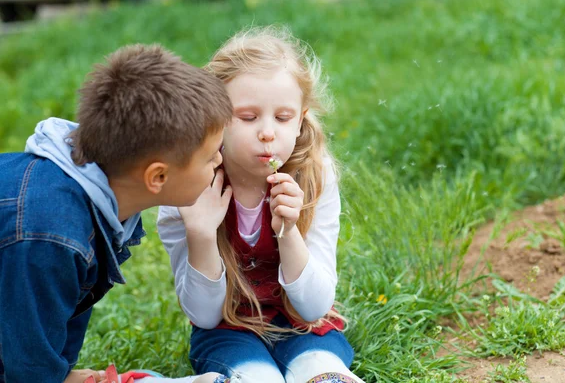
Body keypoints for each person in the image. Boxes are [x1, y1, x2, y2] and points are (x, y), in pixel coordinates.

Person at [0, 44, 232, 383]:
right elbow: (27, 373)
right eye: (210, 155)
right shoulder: (51, 235)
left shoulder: (97, 203)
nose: (219, 161)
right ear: (157, 177)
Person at [157, 26, 365, 383]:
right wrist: (201, 234)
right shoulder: (189, 186)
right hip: (227, 330)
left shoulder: (314, 175)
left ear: (300, 121)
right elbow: (204, 315)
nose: (267, 132)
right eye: (248, 117)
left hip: (305, 325)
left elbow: (314, 306)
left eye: (283, 118)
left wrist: (288, 234)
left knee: (323, 373)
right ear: (214, 119)